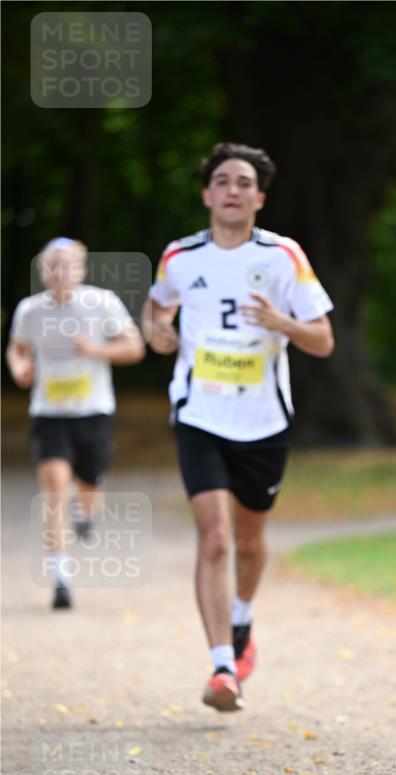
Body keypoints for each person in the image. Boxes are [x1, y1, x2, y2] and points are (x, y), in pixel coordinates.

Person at [142, 142, 334, 713]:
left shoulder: (284, 257)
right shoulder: (179, 256)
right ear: (207, 194)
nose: (232, 189)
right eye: (222, 180)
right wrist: (159, 332)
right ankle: (223, 666)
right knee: (216, 536)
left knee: (248, 541)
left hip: (263, 421)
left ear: (259, 197)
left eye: (243, 182)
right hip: (199, 414)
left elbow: (322, 341)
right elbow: (156, 309)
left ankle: (242, 614)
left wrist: (280, 321)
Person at [6, 237, 145, 609]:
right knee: (54, 492)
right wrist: (20, 369)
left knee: (90, 481)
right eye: (52, 265)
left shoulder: (101, 304)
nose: (59, 272)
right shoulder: (30, 310)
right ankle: (60, 577)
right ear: (42, 271)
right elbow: (17, 349)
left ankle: (86, 514)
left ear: (81, 270)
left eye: (67, 265)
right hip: (49, 414)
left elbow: (134, 348)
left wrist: (95, 350)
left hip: (93, 412)